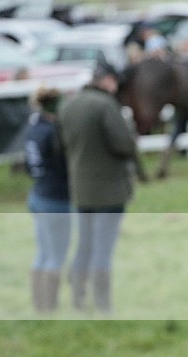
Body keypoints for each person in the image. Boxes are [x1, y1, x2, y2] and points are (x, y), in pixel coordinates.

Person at [57, 63, 138, 313]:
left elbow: (61, 145)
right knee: (103, 249)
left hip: (81, 188)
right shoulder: (105, 105)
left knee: (85, 244)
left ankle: (78, 296)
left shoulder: (68, 105)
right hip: (109, 190)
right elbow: (124, 145)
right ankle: (103, 302)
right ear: (108, 81)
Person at [24, 87, 71, 312]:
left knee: (43, 253)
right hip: (56, 199)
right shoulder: (53, 132)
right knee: (56, 256)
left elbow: (28, 165)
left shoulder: (34, 128)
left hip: (38, 194)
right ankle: (49, 307)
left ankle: (39, 304)